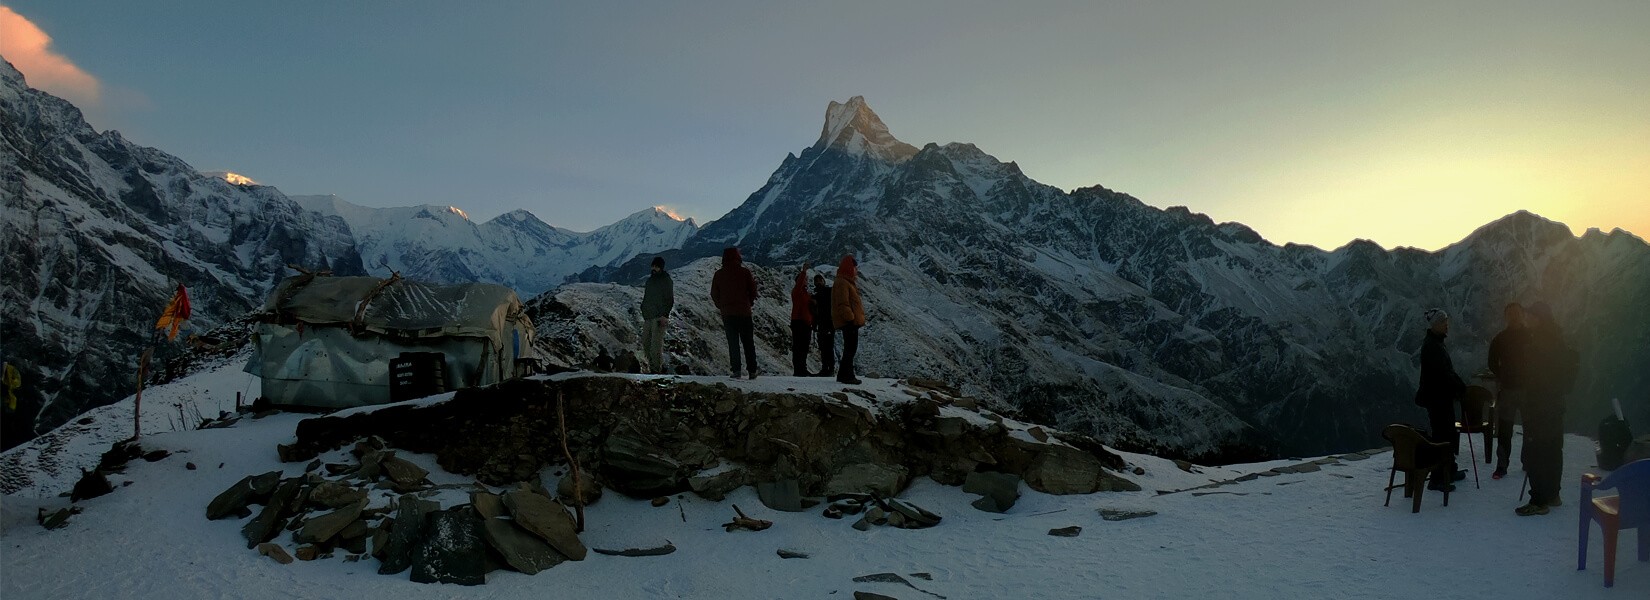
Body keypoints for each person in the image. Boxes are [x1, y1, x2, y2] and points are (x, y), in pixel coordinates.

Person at [1516, 302, 1577, 516]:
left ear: (1538, 318)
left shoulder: (1536, 346)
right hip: (1555, 405)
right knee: (1552, 450)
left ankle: (1538, 500)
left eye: (1530, 315)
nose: (1527, 318)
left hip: (1538, 406)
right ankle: (1553, 494)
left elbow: (1533, 379)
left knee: (1536, 451)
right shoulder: (1557, 340)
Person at [1415, 308, 1466, 492]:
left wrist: (1456, 384)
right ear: (1435, 325)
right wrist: (1459, 387)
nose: (1447, 325)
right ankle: (1437, 478)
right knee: (1442, 436)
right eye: (1443, 322)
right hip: (1437, 399)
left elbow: (1445, 371)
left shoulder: (1435, 343)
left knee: (1447, 433)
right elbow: (1443, 374)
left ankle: (1448, 470)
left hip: (1439, 397)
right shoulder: (1433, 346)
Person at [1486, 302, 1531, 480]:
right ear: (1506, 317)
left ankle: (1526, 462)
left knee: (1529, 428)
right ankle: (1503, 465)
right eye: (1511, 313)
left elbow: (1492, 363)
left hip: (1524, 389)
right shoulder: (1501, 339)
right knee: (1505, 429)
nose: (1514, 316)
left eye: (1517, 313)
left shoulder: (1526, 336)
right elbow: (1491, 361)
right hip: (1512, 390)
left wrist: (1501, 375)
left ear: (1521, 314)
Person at [710, 247, 759, 379]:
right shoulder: (745, 272)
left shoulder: (719, 274)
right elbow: (753, 289)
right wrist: (749, 302)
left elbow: (714, 293)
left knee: (733, 343)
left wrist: (721, 305)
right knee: (748, 342)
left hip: (728, 314)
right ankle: (752, 371)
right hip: (744, 312)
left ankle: (736, 370)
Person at [832, 254, 866, 385]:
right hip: (849, 322)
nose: (856, 271)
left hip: (850, 322)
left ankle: (843, 375)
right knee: (850, 349)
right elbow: (843, 303)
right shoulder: (842, 282)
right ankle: (848, 376)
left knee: (850, 348)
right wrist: (850, 318)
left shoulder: (845, 281)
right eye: (854, 268)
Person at [640, 256, 675, 374]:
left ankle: (656, 369)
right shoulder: (650, 281)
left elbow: (669, 299)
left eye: (657, 266)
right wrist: (644, 309)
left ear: (661, 267)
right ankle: (653, 366)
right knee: (646, 343)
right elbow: (647, 297)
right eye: (653, 266)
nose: (654, 268)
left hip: (659, 317)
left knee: (655, 345)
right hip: (648, 316)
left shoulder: (666, 280)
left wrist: (665, 315)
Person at [789, 263, 814, 377]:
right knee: (799, 346)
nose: (806, 281)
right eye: (804, 279)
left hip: (806, 322)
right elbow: (799, 284)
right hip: (798, 321)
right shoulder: (797, 291)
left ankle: (802, 368)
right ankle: (798, 370)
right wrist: (803, 271)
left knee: (804, 346)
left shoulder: (805, 293)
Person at [811, 273, 836, 377]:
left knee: (828, 346)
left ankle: (829, 369)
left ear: (823, 281)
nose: (818, 282)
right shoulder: (818, 295)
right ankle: (826, 368)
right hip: (823, 323)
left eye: (819, 280)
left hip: (828, 323)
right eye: (816, 281)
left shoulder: (827, 292)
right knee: (823, 346)